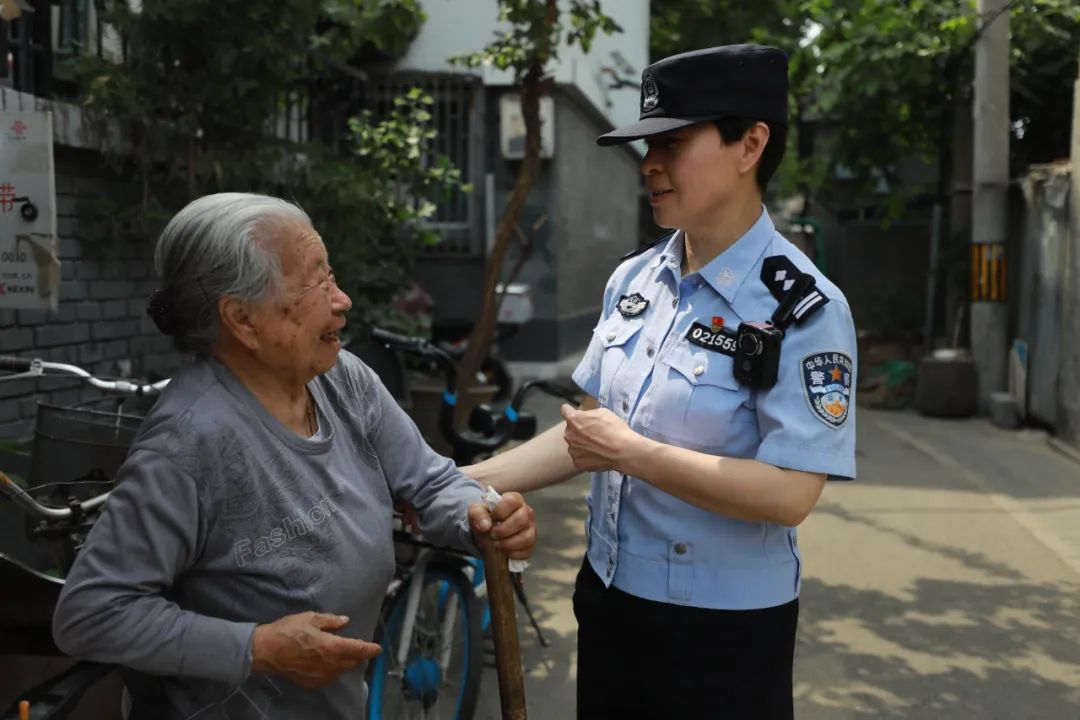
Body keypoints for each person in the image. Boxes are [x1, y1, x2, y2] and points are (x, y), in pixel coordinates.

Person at [462, 45, 857, 719]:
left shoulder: (805, 309)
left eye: (673, 142)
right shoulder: (636, 280)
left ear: (750, 144)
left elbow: (791, 493)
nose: (650, 164)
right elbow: (586, 437)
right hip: (612, 603)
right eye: (647, 145)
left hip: (721, 633)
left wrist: (634, 454)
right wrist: (464, 481)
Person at [52, 193, 538, 719]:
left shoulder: (343, 379)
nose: (343, 300)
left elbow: (431, 482)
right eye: (316, 281)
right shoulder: (188, 446)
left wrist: (478, 515)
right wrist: (257, 648)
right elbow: (91, 613)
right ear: (243, 319)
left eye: (332, 275)